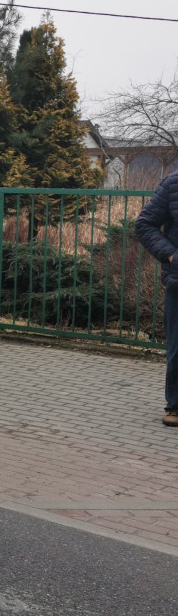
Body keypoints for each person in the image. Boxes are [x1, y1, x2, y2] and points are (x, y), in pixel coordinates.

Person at [135, 172, 178, 427]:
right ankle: (175, 405)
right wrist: (172, 256)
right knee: (177, 347)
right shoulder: (173, 184)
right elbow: (144, 224)